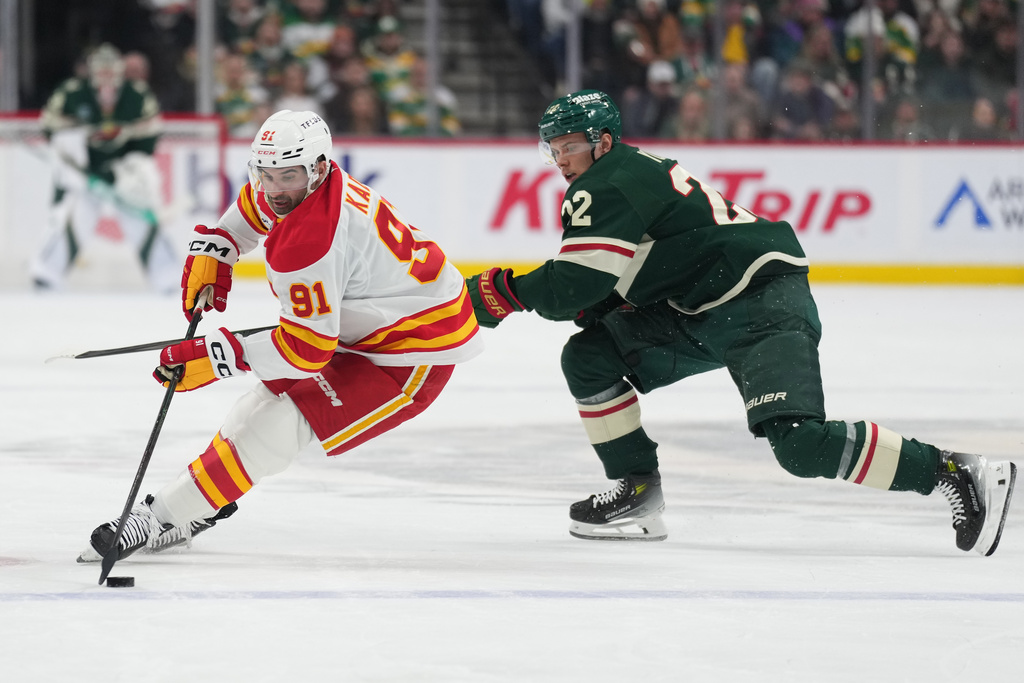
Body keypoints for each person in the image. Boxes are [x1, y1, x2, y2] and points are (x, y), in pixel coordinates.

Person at [465, 90, 1016, 555]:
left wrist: (496, 294)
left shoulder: (606, 182)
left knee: (800, 445)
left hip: (759, 302)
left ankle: (952, 471)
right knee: (589, 356)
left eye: (569, 147)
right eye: (553, 150)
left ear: (602, 142)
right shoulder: (626, 172)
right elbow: (625, 270)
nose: (561, 161)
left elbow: (575, 284)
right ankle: (635, 489)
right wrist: (595, 303)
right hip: (700, 307)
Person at [78, 110, 483, 562]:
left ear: (320, 168)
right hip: (370, 327)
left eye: (287, 176)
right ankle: (193, 508)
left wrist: (219, 355)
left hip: (413, 352)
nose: (274, 189)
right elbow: (252, 208)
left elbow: (306, 350)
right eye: (265, 174)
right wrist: (221, 245)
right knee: (255, 408)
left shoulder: (312, 237)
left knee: (276, 427)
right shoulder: (303, 186)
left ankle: (160, 519)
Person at [32, 43, 179, 292]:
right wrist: (77, 141)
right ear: (91, 70)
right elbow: (49, 125)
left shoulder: (137, 94)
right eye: (101, 69)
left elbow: (152, 131)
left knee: (142, 220)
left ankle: (168, 277)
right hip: (84, 173)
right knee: (72, 217)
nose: (107, 74)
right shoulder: (72, 92)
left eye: (111, 69)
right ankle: (46, 273)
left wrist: (131, 161)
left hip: (123, 172)